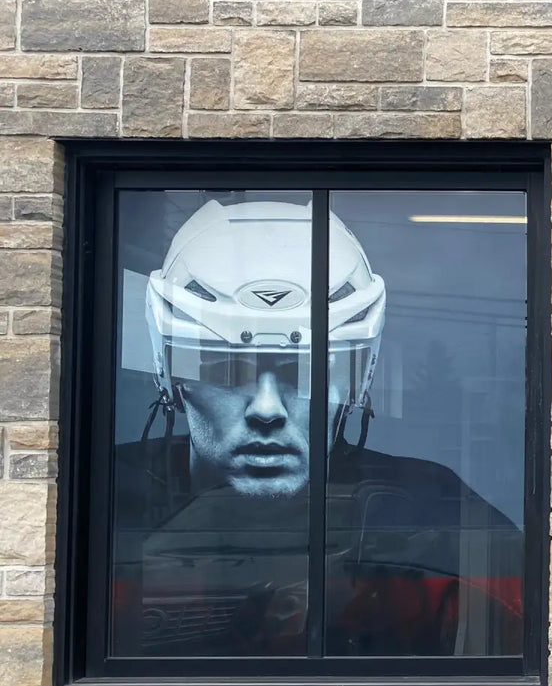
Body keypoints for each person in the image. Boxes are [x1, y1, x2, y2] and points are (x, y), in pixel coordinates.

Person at [112, 199, 523, 658]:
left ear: (357, 381)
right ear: (171, 376)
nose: (266, 410)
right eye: (225, 367)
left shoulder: (434, 515)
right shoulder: (104, 503)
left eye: (307, 374)